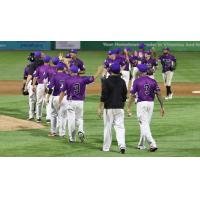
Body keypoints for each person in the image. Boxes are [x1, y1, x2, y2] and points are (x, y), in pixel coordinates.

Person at [58, 65, 103, 143]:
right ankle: (81, 130)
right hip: (80, 102)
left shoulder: (67, 80)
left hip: (70, 102)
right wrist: (99, 71)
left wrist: (59, 103)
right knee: (79, 118)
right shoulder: (83, 79)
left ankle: (72, 138)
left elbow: (62, 92)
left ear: (71, 72)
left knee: (71, 121)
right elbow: (93, 78)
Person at [127, 64, 165, 152]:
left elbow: (132, 95)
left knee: (144, 124)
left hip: (141, 105)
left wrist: (128, 106)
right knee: (145, 124)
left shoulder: (137, 81)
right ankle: (141, 144)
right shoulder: (153, 81)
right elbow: (159, 94)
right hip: (151, 104)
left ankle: (152, 144)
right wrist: (162, 106)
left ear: (140, 71)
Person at [98, 63, 127, 154]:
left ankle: (106, 148)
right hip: (119, 107)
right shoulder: (122, 81)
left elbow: (104, 96)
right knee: (120, 127)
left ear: (110, 70)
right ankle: (122, 145)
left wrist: (100, 108)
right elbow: (124, 96)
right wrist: (123, 106)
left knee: (108, 127)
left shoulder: (106, 81)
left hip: (109, 108)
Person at [46, 62, 69, 137]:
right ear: (63, 69)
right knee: (63, 116)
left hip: (56, 97)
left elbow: (50, 88)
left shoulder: (54, 76)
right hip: (65, 98)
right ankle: (62, 133)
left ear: (56, 69)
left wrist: (47, 97)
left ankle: (53, 132)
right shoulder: (67, 76)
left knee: (53, 115)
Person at [32, 55, 51, 123]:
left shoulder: (39, 68)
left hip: (40, 85)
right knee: (48, 101)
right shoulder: (51, 68)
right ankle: (48, 118)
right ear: (49, 61)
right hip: (49, 86)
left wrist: (33, 85)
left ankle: (38, 118)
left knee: (39, 102)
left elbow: (35, 77)